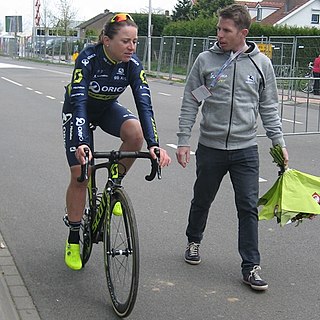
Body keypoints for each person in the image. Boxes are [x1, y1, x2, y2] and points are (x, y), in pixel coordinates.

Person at [176, 4, 288, 291]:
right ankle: (193, 240)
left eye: (226, 30)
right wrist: (183, 140)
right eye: (218, 29)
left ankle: (251, 266)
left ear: (243, 33)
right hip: (211, 147)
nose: (220, 35)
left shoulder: (261, 64)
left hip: (245, 149)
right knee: (202, 199)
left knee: (248, 207)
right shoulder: (206, 60)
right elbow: (191, 101)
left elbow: (269, 106)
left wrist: (279, 142)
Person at [62, 13, 171, 271]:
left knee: (135, 134)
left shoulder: (132, 64)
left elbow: (144, 104)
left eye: (135, 42)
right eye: (125, 41)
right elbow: (78, 102)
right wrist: (81, 142)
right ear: (105, 40)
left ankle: (113, 185)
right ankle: (74, 238)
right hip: (79, 112)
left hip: (107, 108)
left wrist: (154, 143)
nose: (131, 47)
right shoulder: (88, 59)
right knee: (82, 173)